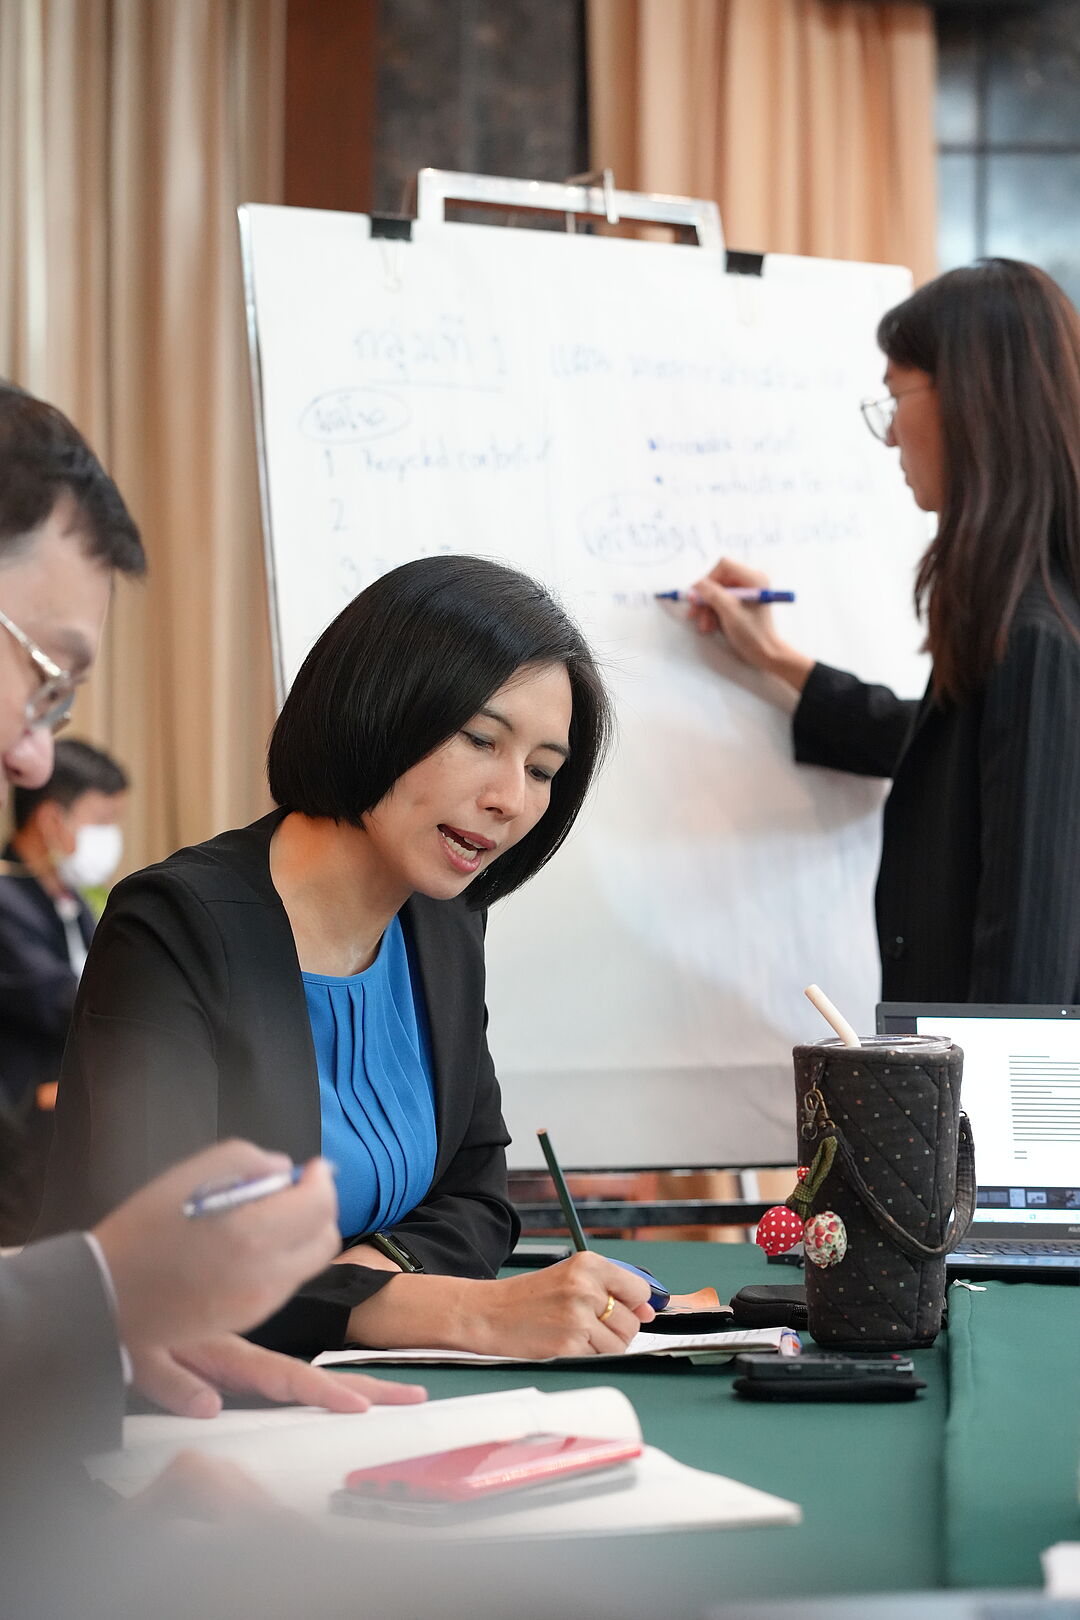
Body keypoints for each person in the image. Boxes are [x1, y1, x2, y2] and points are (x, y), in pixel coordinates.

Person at [40, 554, 656, 1358]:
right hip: (165, 1405)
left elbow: (476, 1195)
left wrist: (365, 1288)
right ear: (376, 704)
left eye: (542, 771)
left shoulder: (444, 923)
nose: (510, 799)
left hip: (369, 1382)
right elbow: (165, 1260)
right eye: (480, 739)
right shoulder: (176, 924)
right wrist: (453, 1312)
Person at [0, 381, 422, 1495]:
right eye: (44, 679)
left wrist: (96, 1340)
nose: (33, 758)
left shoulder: (441, 936)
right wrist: (103, 1296)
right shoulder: (180, 917)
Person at [685, 258, 1080, 1005]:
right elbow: (943, 755)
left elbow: (1026, 967)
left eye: (898, 396)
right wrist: (775, 657)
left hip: (975, 1079)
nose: (891, 433)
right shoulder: (1024, 616)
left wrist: (959, 1094)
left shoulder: (1039, 638)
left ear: (974, 400)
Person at [0, 739, 128, 1239]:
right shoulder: (5, 899)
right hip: (26, 1128)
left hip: (76, 1115)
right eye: (103, 820)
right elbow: (61, 1001)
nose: (111, 836)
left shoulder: (73, 899)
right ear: (53, 819)